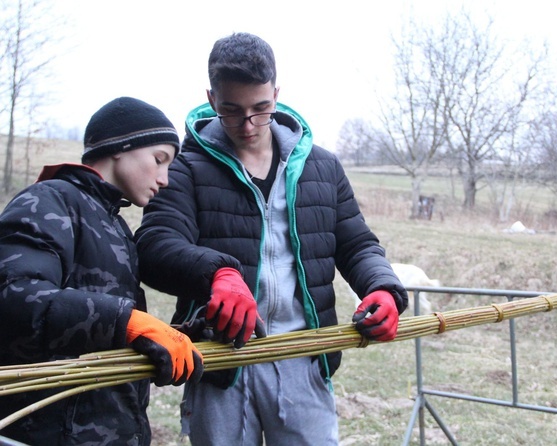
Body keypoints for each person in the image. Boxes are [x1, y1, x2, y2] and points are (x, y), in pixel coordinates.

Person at [134, 32, 408, 445]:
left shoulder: (322, 167)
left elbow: (357, 244)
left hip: (304, 356)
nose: (248, 125)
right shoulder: (186, 168)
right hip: (221, 360)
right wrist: (217, 275)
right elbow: (155, 245)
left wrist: (383, 288)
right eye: (231, 111)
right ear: (211, 98)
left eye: (261, 110)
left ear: (277, 94)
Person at [0, 97, 204, 445]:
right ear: (122, 147)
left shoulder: (113, 225)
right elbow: (15, 300)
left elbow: (98, 333)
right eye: (159, 160)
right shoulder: (49, 201)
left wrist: (181, 337)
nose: (164, 179)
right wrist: (129, 323)